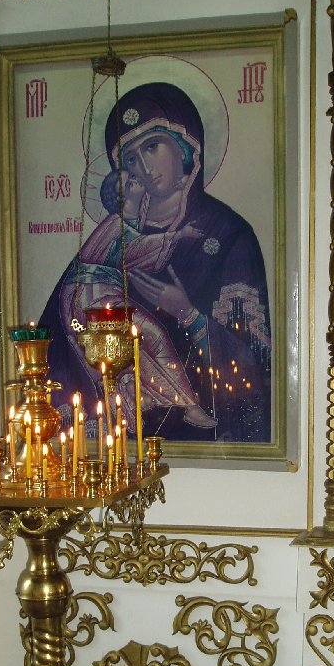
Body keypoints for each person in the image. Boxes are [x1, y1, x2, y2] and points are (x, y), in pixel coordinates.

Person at [40, 81, 271, 444]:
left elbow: (256, 363)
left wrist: (188, 314)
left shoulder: (228, 236)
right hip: (119, 447)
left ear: (186, 147)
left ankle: (183, 405)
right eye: (131, 159)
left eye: (152, 146)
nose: (144, 167)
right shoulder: (114, 235)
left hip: (207, 451)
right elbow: (58, 339)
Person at [57, 168, 216, 430]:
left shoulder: (127, 223)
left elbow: (142, 254)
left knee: (138, 348)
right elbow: (138, 249)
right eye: (128, 181)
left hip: (99, 294)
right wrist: (178, 235)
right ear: (120, 195)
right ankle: (186, 406)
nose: (135, 180)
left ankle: (147, 406)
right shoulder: (115, 225)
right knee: (152, 336)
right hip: (89, 297)